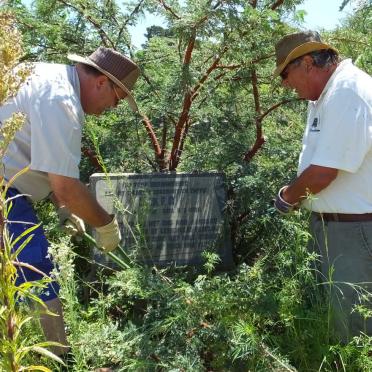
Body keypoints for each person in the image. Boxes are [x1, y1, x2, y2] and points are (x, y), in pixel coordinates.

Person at [0, 46, 140, 356]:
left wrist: (62, 208)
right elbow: (65, 186)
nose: (112, 108)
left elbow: (37, 160)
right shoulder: (62, 102)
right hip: (3, 191)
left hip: (9, 186)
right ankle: (61, 357)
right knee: (33, 264)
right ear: (102, 82)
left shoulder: (46, 74)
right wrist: (106, 224)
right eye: (117, 100)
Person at [273, 30, 372, 343]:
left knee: (354, 330)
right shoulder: (328, 94)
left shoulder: (348, 91)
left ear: (306, 64)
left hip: (354, 232)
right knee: (335, 318)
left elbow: (323, 173)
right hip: (335, 228)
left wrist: (286, 199)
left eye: (285, 74)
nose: (285, 84)